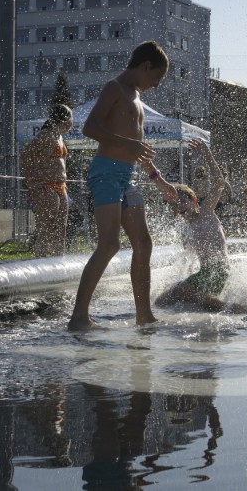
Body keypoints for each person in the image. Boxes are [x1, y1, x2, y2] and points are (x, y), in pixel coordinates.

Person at [68, 40, 177, 330]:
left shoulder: (137, 98)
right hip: (106, 174)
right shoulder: (114, 88)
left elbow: (136, 149)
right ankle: (79, 317)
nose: (156, 85)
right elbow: (89, 127)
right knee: (109, 244)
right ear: (145, 66)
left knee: (143, 242)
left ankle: (144, 315)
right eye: (156, 78)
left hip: (129, 176)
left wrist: (159, 180)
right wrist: (127, 142)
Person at [155, 139, 238, 312]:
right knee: (162, 301)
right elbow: (189, 260)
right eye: (175, 205)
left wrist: (208, 155)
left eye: (183, 201)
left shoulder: (206, 212)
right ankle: (208, 303)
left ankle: (231, 308)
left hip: (218, 272)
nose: (180, 207)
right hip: (205, 273)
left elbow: (220, 183)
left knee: (179, 290)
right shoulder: (187, 229)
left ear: (194, 200)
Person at [21, 103, 73, 257]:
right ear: (65, 119)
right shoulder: (45, 135)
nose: (72, 123)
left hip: (61, 186)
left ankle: (58, 261)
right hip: (46, 185)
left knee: (61, 228)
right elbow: (25, 156)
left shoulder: (60, 136)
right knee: (46, 228)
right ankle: (40, 261)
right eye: (71, 119)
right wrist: (31, 182)